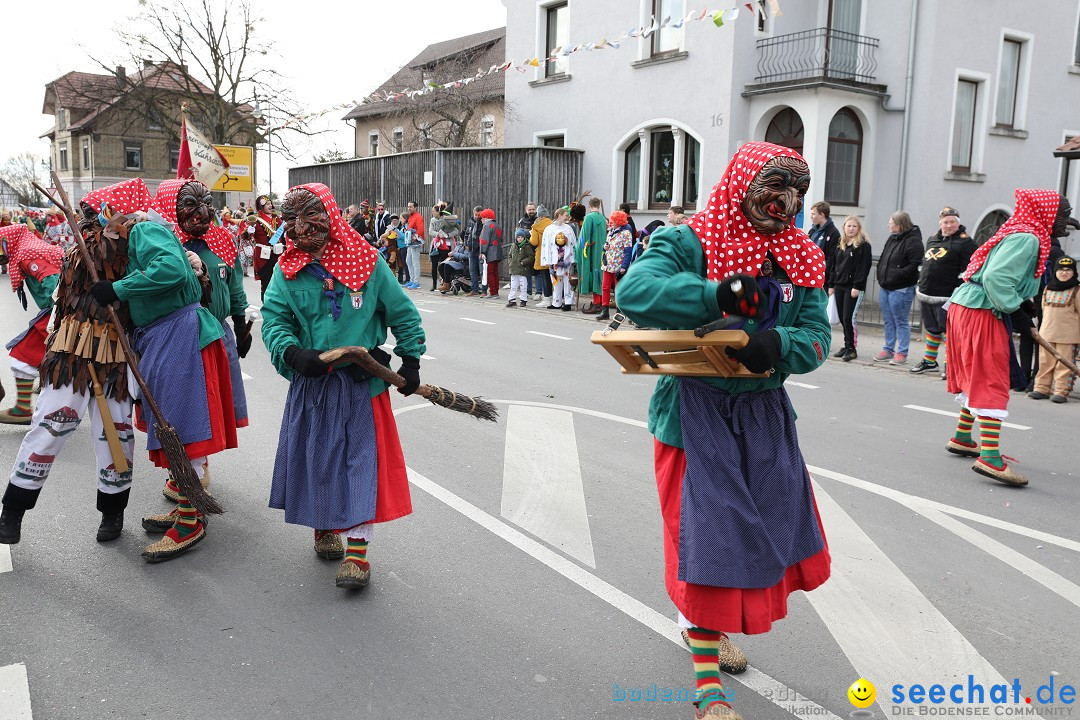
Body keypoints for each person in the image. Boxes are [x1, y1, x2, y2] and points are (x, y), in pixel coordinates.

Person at [617, 141, 831, 720]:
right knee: (703, 539)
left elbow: (816, 338)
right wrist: (715, 294)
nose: (784, 202)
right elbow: (633, 292)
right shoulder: (689, 240)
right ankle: (707, 688)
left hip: (763, 416)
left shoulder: (802, 256)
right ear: (741, 185)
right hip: (694, 414)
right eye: (773, 186)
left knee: (756, 533)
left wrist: (778, 345)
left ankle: (712, 628)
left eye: (795, 192)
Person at [261, 182, 424, 590]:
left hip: (360, 385)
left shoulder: (367, 261)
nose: (300, 230)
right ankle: (324, 525)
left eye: (309, 218)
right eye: (291, 221)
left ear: (330, 216)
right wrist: (292, 353)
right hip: (314, 385)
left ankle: (357, 551)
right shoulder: (288, 269)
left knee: (358, 462)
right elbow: (274, 320)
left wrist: (411, 357)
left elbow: (401, 311)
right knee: (318, 460)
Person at [88, 190, 240, 562]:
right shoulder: (145, 230)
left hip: (178, 335)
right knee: (173, 422)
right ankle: (187, 504)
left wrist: (118, 289)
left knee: (179, 426)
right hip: (169, 334)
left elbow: (170, 271)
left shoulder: (141, 229)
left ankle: (190, 521)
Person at [0, 180, 152, 546]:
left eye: (95, 211)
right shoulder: (82, 244)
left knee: (116, 435)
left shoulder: (137, 241)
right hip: (71, 348)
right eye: (86, 211)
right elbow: (65, 291)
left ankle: (112, 512)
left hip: (115, 352)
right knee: (50, 426)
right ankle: (13, 512)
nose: (87, 218)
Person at [945, 189, 1078, 487]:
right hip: (983, 309)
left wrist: (1022, 303)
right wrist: (1015, 309)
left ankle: (963, 437)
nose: (1065, 225)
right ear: (1047, 214)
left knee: (975, 374)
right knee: (992, 376)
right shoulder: (1028, 238)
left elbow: (1000, 275)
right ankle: (990, 457)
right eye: (1063, 218)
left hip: (967, 306)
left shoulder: (1023, 230)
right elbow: (996, 278)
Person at [0, 223, 63, 424]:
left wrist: (53, 313)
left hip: (57, 312)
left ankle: (23, 409)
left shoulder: (27, 254)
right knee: (54, 360)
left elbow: (52, 283)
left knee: (23, 356)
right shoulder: (30, 248)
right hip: (60, 311)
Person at [911, 207, 976, 377]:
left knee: (949, 332)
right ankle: (930, 361)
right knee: (932, 329)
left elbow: (968, 271)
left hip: (948, 295)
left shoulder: (966, 242)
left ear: (958, 223)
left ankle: (951, 365)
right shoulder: (932, 239)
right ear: (940, 223)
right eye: (945, 222)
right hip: (926, 292)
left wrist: (959, 290)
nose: (948, 225)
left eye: (952, 222)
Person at [1028, 256, 1079, 403]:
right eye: (1061, 270)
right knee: (1045, 363)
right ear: (1055, 271)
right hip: (1047, 334)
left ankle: (1061, 391)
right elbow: (1044, 310)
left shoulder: (1077, 290)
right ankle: (1042, 388)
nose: (1064, 273)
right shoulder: (1048, 288)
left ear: (1074, 273)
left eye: (1068, 270)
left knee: (1064, 365)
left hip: (1068, 336)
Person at [874, 211, 923, 365]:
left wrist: (896, 275)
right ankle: (888, 349)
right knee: (888, 320)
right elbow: (883, 257)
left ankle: (902, 352)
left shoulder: (914, 241)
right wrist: (881, 275)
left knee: (901, 321)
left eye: (891, 222)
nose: (888, 225)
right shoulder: (892, 238)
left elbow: (914, 265)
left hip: (901, 288)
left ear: (900, 225)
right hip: (886, 286)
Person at [828, 215, 872, 361]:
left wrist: (857, 286)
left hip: (852, 287)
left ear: (858, 228)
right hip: (839, 285)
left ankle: (852, 349)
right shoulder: (841, 243)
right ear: (844, 227)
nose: (851, 229)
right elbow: (834, 265)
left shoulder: (863, 245)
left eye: (854, 226)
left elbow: (863, 267)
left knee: (848, 318)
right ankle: (846, 345)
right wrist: (831, 284)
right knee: (842, 317)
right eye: (848, 226)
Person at [597, 210, 634, 321]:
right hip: (608, 263)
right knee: (605, 287)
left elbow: (628, 250)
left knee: (619, 288)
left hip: (618, 265)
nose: (610, 222)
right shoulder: (611, 231)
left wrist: (624, 266)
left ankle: (620, 311)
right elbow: (607, 245)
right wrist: (605, 247)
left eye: (613, 220)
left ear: (618, 221)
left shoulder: (626, 233)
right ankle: (605, 311)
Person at [541, 207, 576, 311]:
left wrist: (574, 258)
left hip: (566, 259)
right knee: (556, 281)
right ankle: (556, 302)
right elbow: (545, 245)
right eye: (565, 215)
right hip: (554, 260)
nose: (567, 217)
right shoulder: (549, 229)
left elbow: (574, 243)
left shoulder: (568, 228)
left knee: (567, 281)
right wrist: (546, 260)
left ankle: (568, 302)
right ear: (559, 216)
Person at [576, 197, 606, 314]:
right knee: (599, 274)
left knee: (593, 273)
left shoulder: (588, 218)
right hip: (601, 251)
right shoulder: (603, 219)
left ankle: (597, 304)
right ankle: (600, 302)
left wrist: (579, 250)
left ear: (589, 205)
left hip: (590, 250)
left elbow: (583, 237)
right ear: (598, 205)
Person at [250, 195, 283, 300]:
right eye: (267, 204)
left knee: (279, 280)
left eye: (270, 203)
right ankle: (266, 302)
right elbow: (245, 236)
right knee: (266, 281)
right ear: (261, 206)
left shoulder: (276, 218)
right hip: (263, 255)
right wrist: (249, 231)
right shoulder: (255, 219)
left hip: (277, 253)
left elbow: (284, 232)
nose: (270, 206)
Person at [808, 201, 841, 285]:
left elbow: (832, 258)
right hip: (810, 273)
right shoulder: (812, 231)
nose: (811, 217)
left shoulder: (833, 233)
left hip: (823, 276)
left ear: (822, 215)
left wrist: (828, 279)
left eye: (813, 214)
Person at [530, 205, 554, 307]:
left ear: (539, 216)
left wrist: (531, 234)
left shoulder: (536, 226)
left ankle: (546, 298)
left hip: (542, 254)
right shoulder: (553, 224)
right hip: (553, 254)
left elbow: (534, 242)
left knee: (544, 277)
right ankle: (555, 298)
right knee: (553, 277)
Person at [478, 208, 503, 298]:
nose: (481, 220)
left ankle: (493, 292)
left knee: (490, 272)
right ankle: (495, 290)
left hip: (490, 252)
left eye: (482, 218)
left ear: (486, 217)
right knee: (495, 272)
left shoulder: (487, 226)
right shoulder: (497, 225)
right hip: (498, 251)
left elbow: (484, 240)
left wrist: (483, 252)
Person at [507, 227, 534, 308]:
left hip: (522, 269)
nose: (520, 239)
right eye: (518, 237)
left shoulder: (527, 246)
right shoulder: (513, 245)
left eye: (521, 237)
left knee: (523, 285)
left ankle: (523, 300)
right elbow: (510, 255)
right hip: (514, 269)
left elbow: (531, 257)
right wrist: (510, 262)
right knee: (513, 286)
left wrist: (523, 262)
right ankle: (512, 300)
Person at [518, 202, 539, 297]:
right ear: (526, 210)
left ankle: (539, 292)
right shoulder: (522, 221)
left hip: (537, 249)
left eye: (533, 209)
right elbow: (519, 234)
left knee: (538, 272)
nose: (531, 211)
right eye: (529, 209)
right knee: (527, 272)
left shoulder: (539, 220)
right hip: (526, 250)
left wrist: (526, 233)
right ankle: (528, 292)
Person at [464, 206, 484, 296]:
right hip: (471, 249)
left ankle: (484, 290)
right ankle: (474, 289)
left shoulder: (483, 223)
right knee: (472, 270)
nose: (477, 216)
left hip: (479, 249)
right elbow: (467, 233)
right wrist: (466, 244)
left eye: (478, 215)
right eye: (475, 214)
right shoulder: (471, 221)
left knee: (481, 271)